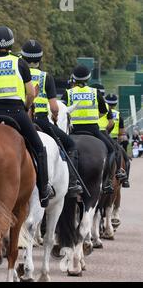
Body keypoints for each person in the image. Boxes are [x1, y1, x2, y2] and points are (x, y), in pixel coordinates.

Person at [0, 26, 54, 208]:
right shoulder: (20, 63)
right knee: (39, 147)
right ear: (10, 45)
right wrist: (26, 106)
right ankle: (43, 191)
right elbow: (30, 93)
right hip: (16, 111)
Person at [21, 39, 82, 196]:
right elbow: (54, 107)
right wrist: (54, 116)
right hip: (40, 120)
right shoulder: (45, 77)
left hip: (19, 118)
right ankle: (72, 184)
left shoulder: (18, 73)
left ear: (23, 57)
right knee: (70, 145)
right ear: (40, 59)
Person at [61, 65, 115, 194]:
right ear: (88, 78)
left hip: (73, 130)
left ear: (73, 78)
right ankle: (107, 181)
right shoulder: (94, 92)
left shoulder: (68, 93)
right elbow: (103, 112)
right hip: (93, 130)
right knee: (112, 150)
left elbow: (62, 111)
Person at [105, 93, 130, 187]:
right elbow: (121, 132)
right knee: (126, 160)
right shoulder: (118, 115)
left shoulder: (102, 111)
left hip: (101, 137)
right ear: (115, 104)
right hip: (114, 141)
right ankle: (125, 179)